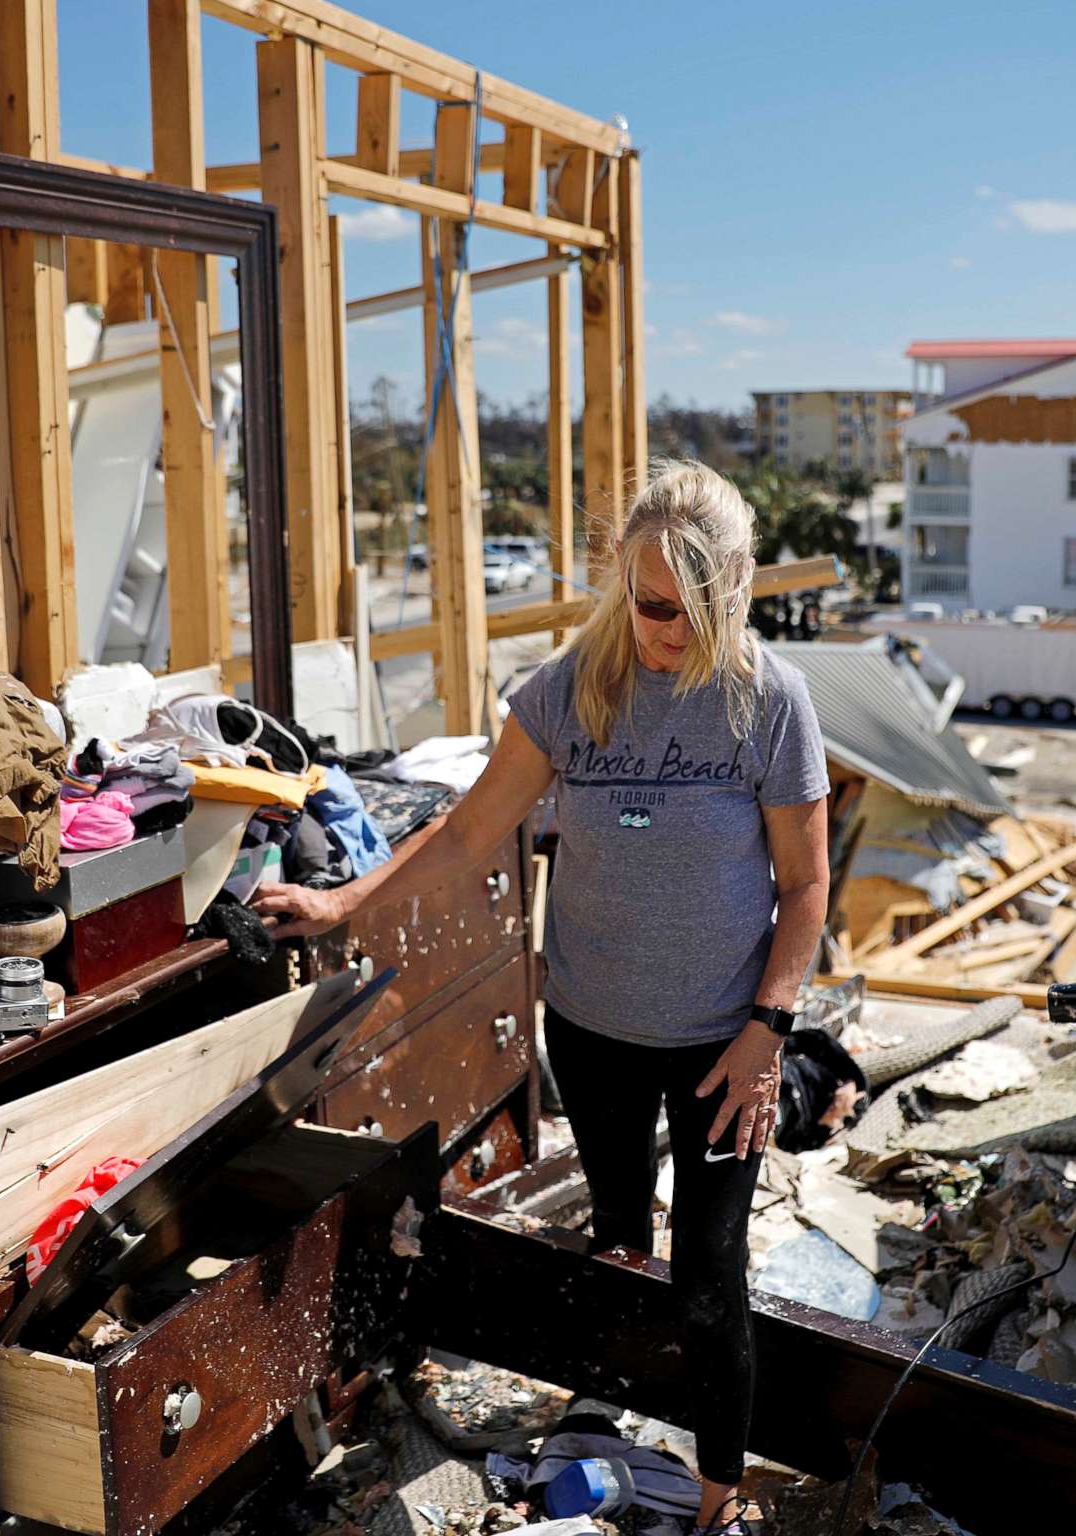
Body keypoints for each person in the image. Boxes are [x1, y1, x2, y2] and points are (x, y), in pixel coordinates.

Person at [254, 460, 830, 1532]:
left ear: (738, 590)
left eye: (695, 610)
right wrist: (347, 908)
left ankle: (717, 1494)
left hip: (722, 1047)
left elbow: (804, 888)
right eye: (652, 604)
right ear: (623, 584)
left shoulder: (769, 702)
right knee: (616, 1237)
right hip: (596, 1034)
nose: (669, 630)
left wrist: (769, 1030)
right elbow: (471, 830)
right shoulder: (573, 690)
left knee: (711, 1276)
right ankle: (601, 1410)